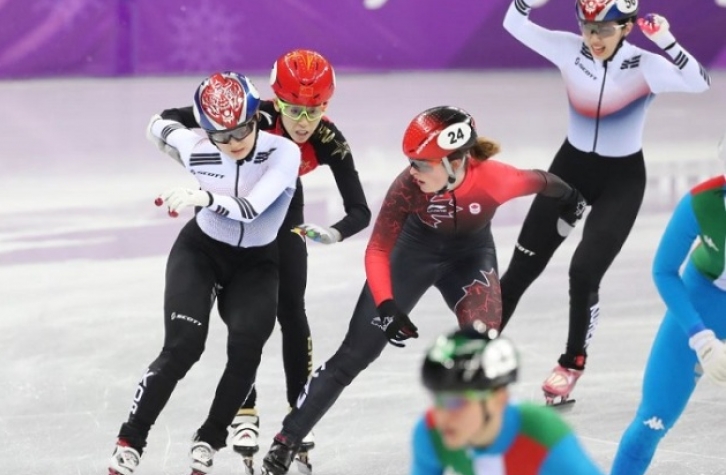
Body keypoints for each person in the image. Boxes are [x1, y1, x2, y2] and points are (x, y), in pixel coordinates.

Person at [259, 105, 589, 475]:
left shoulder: (496, 179)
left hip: (470, 258)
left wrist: (572, 197)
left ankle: (480, 444)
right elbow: (379, 249)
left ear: (455, 162)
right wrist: (385, 304)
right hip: (413, 255)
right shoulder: (407, 187)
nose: (412, 171)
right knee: (355, 354)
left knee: (482, 346)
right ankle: (286, 441)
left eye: (422, 163)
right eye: (411, 162)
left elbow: (542, 180)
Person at [500, 0, 711, 405]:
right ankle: (478, 345)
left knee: (584, 272)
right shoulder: (566, 48)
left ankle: (571, 363)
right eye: (587, 27)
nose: (594, 38)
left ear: (627, 26)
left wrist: (666, 40)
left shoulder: (646, 65)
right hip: (569, 172)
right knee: (521, 269)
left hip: (622, 181)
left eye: (605, 29)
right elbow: (513, 22)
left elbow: (699, 82)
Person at [157, 49, 371, 466]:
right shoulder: (251, 114)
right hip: (229, 202)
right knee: (241, 313)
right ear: (275, 101)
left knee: (291, 310)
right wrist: (182, 147)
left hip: (284, 208)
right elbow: (176, 115)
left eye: (316, 110)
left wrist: (333, 232)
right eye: (294, 110)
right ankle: (244, 405)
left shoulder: (328, 139)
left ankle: (298, 411)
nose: (305, 122)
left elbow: (360, 209)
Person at [108, 71, 300, 475]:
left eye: (241, 130)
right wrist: (199, 116)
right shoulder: (197, 144)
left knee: (247, 350)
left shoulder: (283, 152)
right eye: (220, 136)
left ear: (256, 118)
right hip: (201, 253)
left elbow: (254, 207)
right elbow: (157, 124)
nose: (232, 143)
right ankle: (131, 438)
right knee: (183, 347)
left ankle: (209, 437)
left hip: (256, 263)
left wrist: (203, 196)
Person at [610, 137, 726, 475]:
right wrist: (700, 337)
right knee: (652, 422)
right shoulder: (703, 202)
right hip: (704, 299)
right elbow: (663, 270)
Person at [412, 321, 606, 475]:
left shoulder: (541, 433)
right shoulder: (431, 432)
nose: (443, 416)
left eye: (456, 403)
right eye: (437, 399)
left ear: (498, 398)